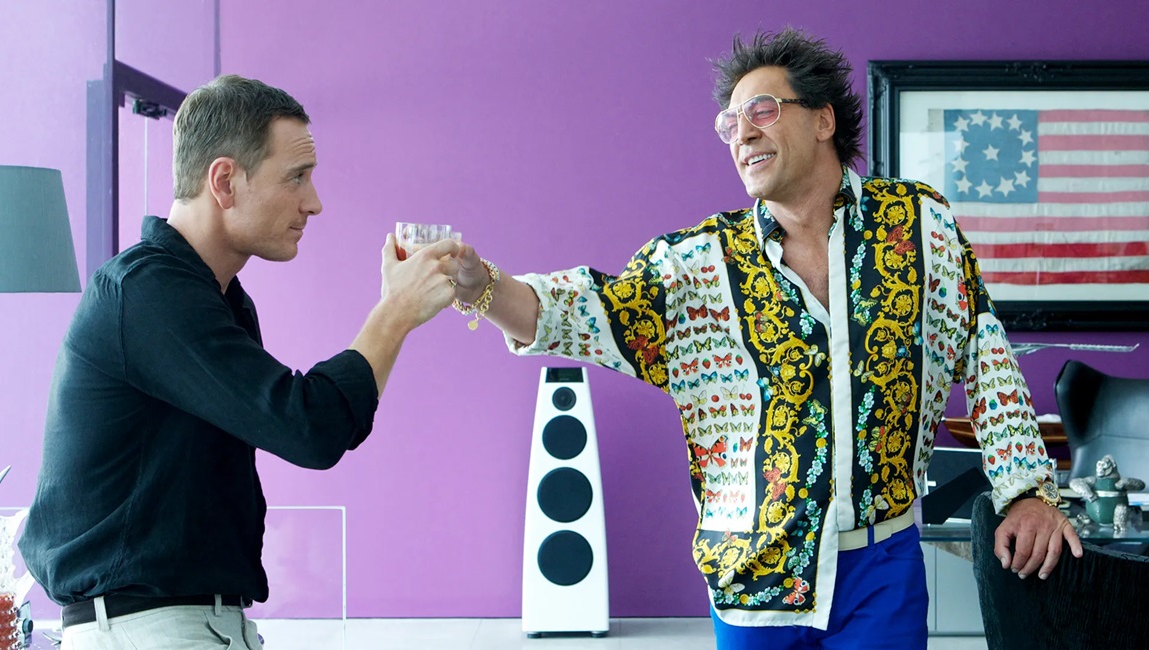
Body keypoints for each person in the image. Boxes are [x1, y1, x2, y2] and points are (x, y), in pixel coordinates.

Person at [451, 28, 1082, 649]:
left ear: (823, 120)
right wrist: (482, 284)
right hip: (752, 581)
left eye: (761, 111)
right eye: (730, 123)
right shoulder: (699, 263)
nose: (742, 134)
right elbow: (582, 312)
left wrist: (1026, 492)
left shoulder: (918, 225)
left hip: (882, 570)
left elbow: (985, 354)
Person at [18, 74, 459, 649]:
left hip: (196, 625)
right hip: (147, 631)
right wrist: (394, 312)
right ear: (224, 181)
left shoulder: (217, 300)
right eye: (296, 176)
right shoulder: (148, 293)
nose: (314, 202)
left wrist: (396, 316)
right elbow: (308, 428)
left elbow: (322, 425)